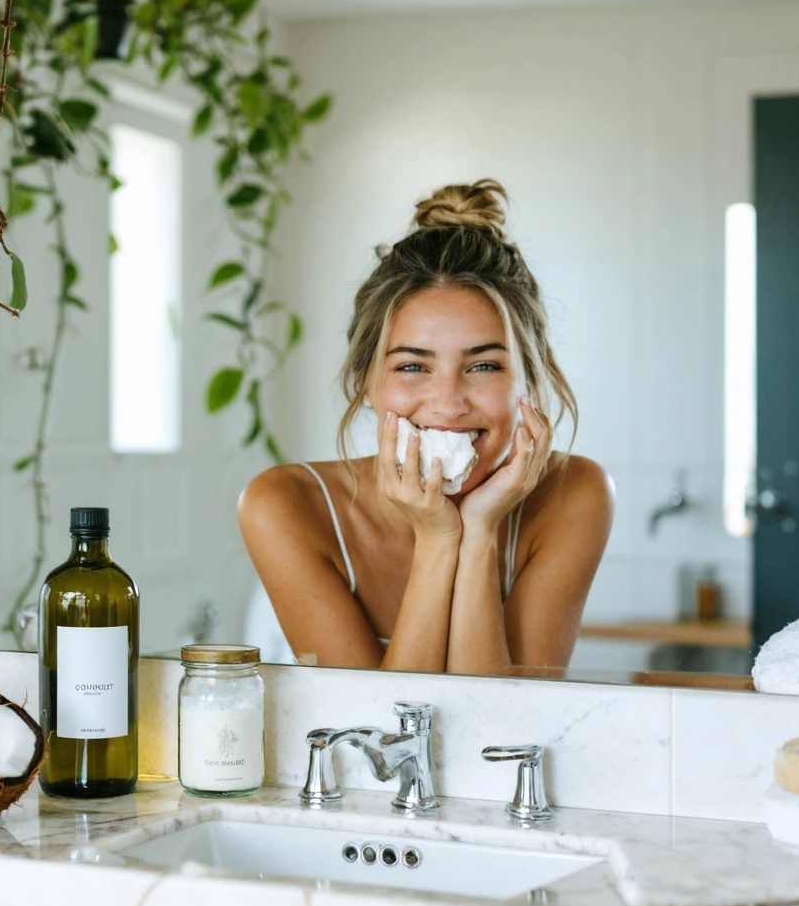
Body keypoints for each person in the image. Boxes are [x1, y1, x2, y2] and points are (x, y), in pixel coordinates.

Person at [238, 180, 614, 675]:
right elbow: (373, 732)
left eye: (483, 367)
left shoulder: (576, 495)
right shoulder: (283, 506)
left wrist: (479, 531)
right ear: (367, 383)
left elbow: (502, 726)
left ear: (531, 381)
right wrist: (437, 539)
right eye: (413, 366)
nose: (448, 403)